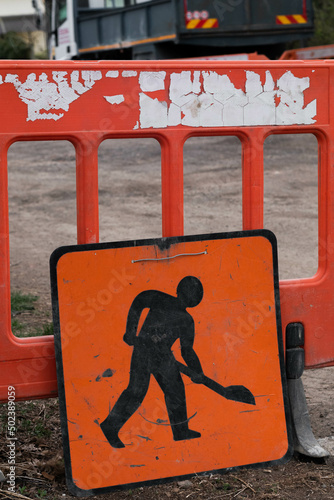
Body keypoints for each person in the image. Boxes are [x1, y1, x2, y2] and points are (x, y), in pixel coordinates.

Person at [100, 275, 205, 448]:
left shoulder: (187, 321)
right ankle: (110, 426)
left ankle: (181, 431)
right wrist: (131, 331)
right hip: (143, 349)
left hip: (164, 356)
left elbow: (187, 350)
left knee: (176, 390)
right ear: (179, 291)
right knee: (137, 390)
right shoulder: (160, 298)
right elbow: (139, 301)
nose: (189, 299)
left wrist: (198, 371)